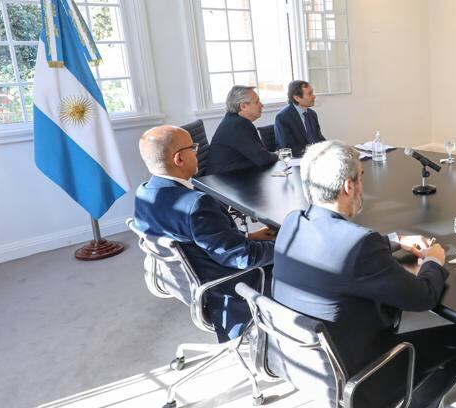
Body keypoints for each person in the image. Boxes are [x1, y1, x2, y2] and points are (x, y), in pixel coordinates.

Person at [270, 140, 456, 408]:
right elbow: (423, 298)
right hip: (359, 376)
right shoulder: (359, 245)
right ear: (349, 186)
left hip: (297, 360)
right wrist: (434, 259)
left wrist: (394, 240)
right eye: (362, 178)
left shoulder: (292, 224)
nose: (363, 185)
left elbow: (337, 246)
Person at [133, 125, 276, 342]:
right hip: (224, 288)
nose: (197, 152)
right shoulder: (196, 204)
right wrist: (287, 248)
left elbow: (194, 240)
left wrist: (247, 237)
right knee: (296, 263)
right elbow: (242, 258)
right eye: (193, 147)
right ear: (179, 158)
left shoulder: (144, 192)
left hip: (185, 282)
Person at [210, 86, 278, 174]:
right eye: (257, 102)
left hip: (233, 176)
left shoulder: (234, 120)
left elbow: (260, 155)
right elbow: (262, 158)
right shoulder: (238, 125)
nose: (261, 105)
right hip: (224, 180)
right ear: (243, 106)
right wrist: (277, 155)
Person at [274, 80, 325, 157]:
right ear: (297, 98)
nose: (314, 96)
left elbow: (319, 139)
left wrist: (329, 148)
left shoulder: (312, 114)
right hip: (296, 160)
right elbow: (288, 148)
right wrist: (313, 152)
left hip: (314, 157)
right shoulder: (283, 117)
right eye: (310, 94)